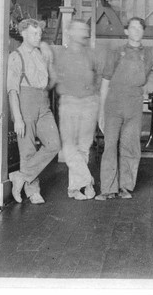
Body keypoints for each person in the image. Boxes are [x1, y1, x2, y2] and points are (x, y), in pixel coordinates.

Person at [95, 17, 153, 200]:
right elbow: (104, 84)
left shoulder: (150, 53)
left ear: (143, 32)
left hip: (134, 104)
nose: (136, 31)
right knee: (110, 145)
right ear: (126, 31)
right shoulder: (116, 53)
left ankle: (125, 187)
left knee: (130, 146)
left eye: (139, 28)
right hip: (113, 103)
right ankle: (107, 189)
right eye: (132, 28)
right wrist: (101, 113)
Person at [7, 18, 61, 204]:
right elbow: (12, 91)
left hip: (43, 102)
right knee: (28, 150)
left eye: (39, 34)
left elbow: (49, 82)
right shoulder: (15, 56)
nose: (38, 37)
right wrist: (18, 118)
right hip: (25, 102)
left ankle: (21, 176)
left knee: (54, 144)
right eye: (34, 34)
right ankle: (32, 192)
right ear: (23, 34)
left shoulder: (40, 54)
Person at [48, 20, 101, 200]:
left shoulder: (90, 54)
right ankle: (87, 180)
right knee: (69, 147)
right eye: (79, 30)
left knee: (84, 147)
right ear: (69, 32)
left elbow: (98, 78)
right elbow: (43, 49)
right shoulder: (59, 53)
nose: (83, 33)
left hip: (89, 103)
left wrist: (95, 100)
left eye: (85, 30)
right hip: (69, 102)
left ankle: (74, 188)